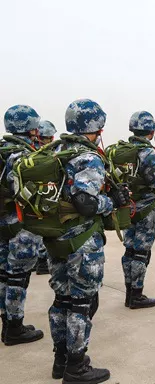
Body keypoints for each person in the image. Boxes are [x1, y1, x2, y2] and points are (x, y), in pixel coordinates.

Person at [45, 99, 129, 383]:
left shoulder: (55, 151)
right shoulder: (88, 157)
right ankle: (76, 366)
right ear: (96, 126)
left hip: (55, 238)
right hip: (81, 242)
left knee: (61, 299)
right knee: (82, 303)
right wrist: (112, 201)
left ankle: (60, 360)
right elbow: (86, 203)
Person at [0, 105, 44, 345]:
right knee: (18, 277)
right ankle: (14, 328)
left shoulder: (2, 150)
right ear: (32, 127)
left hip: (1, 222)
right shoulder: (26, 156)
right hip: (20, 225)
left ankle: (7, 324)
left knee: (3, 275)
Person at [119, 111, 155, 309]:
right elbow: (153, 181)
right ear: (151, 131)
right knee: (141, 252)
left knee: (129, 249)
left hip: (128, 206)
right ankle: (136, 295)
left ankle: (129, 292)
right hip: (146, 207)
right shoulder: (148, 152)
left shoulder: (123, 151)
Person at [34, 119, 58, 275]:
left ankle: (39, 260)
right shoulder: (34, 152)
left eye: (50, 138)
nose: (48, 140)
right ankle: (42, 261)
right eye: (45, 138)